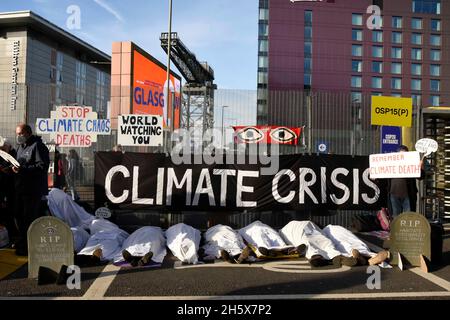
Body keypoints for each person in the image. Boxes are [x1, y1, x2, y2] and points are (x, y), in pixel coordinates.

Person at [280, 221, 390, 267]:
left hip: (294, 232)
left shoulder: (284, 230)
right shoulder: (326, 229)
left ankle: (316, 256)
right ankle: (344, 255)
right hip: (306, 228)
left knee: (310, 241)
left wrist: (291, 249)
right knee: (325, 241)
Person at [13, 124, 50, 256]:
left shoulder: (37, 146)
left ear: (28, 133)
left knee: (28, 219)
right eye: (17, 134)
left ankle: (28, 247)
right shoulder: (20, 147)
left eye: (20, 134)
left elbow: (42, 167)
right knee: (18, 217)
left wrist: (23, 170)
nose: (18, 136)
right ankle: (22, 242)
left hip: (32, 190)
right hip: (20, 189)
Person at [388, 145, 425, 217]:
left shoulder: (412, 164)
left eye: (405, 155)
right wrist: (374, 174)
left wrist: (420, 169)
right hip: (394, 195)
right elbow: (382, 176)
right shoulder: (391, 164)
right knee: (396, 219)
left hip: (408, 195)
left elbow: (421, 177)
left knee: (409, 218)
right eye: (401, 155)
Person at [238, 220, 305, 259]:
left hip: (263, 226)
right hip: (251, 229)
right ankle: (268, 250)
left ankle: (287, 249)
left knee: (275, 236)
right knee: (260, 239)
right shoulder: (242, 231)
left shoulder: (241, 231)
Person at [0, 138, 18, 242]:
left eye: (3, 148)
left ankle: (11, 237)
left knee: (9, 215)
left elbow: (12, 173)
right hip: (4, 191)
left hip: (10, 191)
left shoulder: (13, 155)